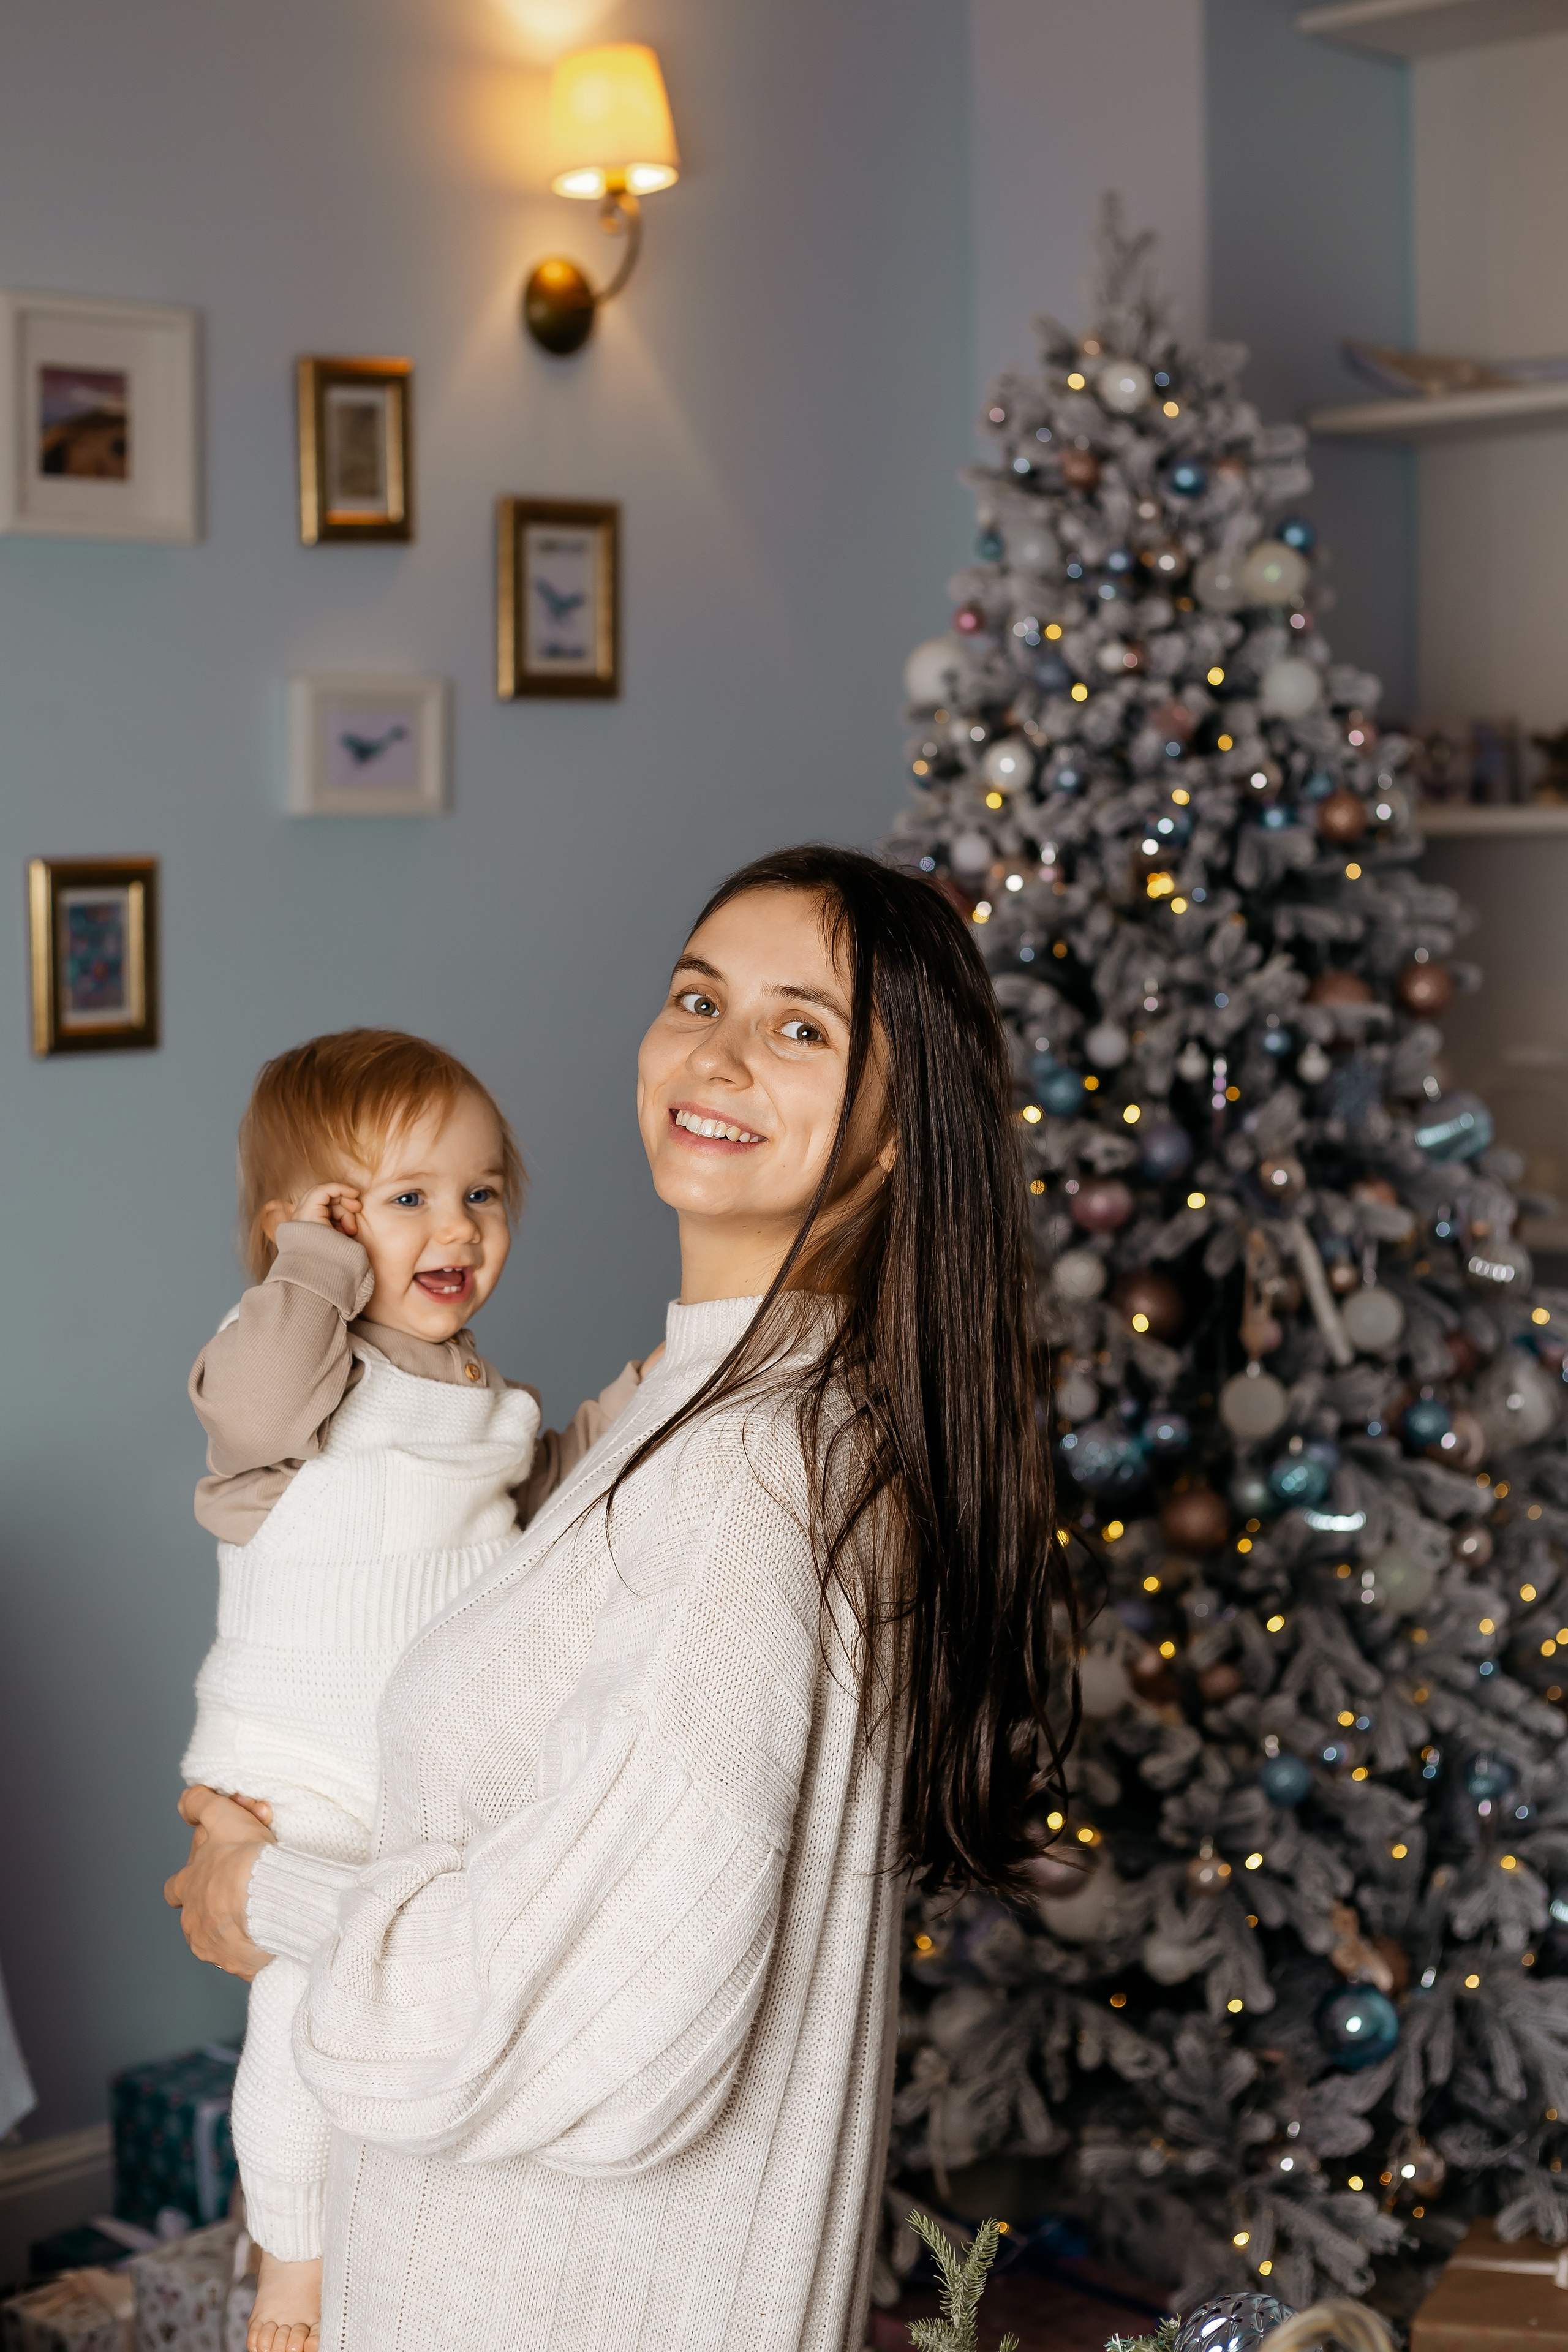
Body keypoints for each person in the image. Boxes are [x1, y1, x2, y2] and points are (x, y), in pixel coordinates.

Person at [167, 848, 1074, 2352]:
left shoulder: (746, 1478)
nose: (717, 1053)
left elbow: (608, 2019)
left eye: (800, 1028)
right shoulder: (713, 1411)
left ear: (893, 1133)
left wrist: (265, 1896)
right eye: (697, 999)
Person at [181, 1028, 645, 2351]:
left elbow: (544, 1510)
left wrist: (648, 1402)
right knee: (304, 2010)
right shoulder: (292, 1377)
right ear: (306, 1232)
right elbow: (256, 1399)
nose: (459, 1228)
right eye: (405, 1199)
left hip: (436, 1773)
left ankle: (443, 2241)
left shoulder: (480, 1393)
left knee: (434, 2004)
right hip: (304, 1774)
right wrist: (312, 1266)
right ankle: (292, 2257)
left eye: (481, 1192)